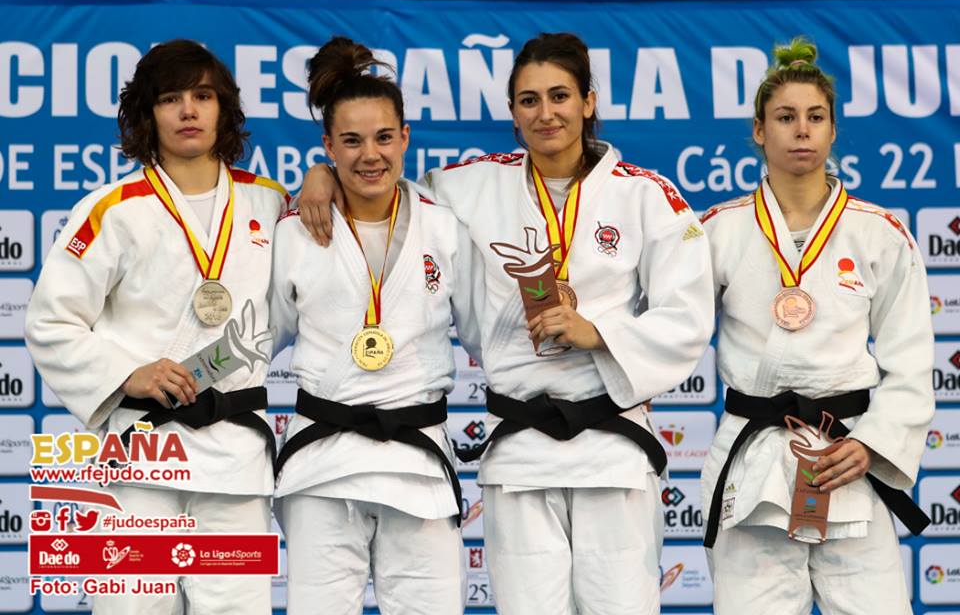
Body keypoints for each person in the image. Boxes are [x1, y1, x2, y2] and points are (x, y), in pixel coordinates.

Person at [298, 32, 714, 615]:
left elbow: (688, 314)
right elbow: (382, 185)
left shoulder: (646, 195)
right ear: (513, 113)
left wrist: (600, 333)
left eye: (560, 96)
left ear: (588, 102)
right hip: (520, 450)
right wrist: (321, 174)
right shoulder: (472, 185)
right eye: (529, 100)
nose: (546, 113)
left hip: (614, 448)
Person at [25, 39, 287, 615]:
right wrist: (128, 373)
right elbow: (50, 321)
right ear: (148, 114)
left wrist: (319, 178)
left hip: (235, 458)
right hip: (143, 454)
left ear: (224, 109)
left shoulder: (271, 204)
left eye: (203, 96)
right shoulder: (113, 209)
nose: (188, 110)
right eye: (170, 99)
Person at [699, 37, 934, 615]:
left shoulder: (879, 233)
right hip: (753, 456)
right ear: (760, 131)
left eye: (815, 117)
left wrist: (873, 444)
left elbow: (910, 360)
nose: (801, 130)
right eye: (785, 117)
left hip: (847, 453)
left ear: (832, 131)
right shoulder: (718, 231)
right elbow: (672, 332)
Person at [270, 36, 477, 615]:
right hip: (322, 464)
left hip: (417, 463)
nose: (370, 156)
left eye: (384, 137)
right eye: (351, 141)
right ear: (327, 146)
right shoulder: (295, 232)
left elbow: (488, 335)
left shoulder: (444, 228)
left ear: (405, 138)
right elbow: (258, 339)